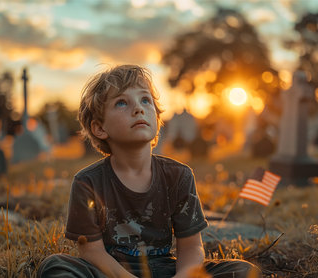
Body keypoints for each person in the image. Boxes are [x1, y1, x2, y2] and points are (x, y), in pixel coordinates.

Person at [37, 65, 261, 278]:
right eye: (122, 103)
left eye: (145, 100)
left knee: (243, 271)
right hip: (112, 271)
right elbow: (91, 252)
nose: (138, 108)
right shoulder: (88, 182)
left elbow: (191, 247)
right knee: (56, 266)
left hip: (166, 269)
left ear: (157, 118)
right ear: (100, 128)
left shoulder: (179, 176)